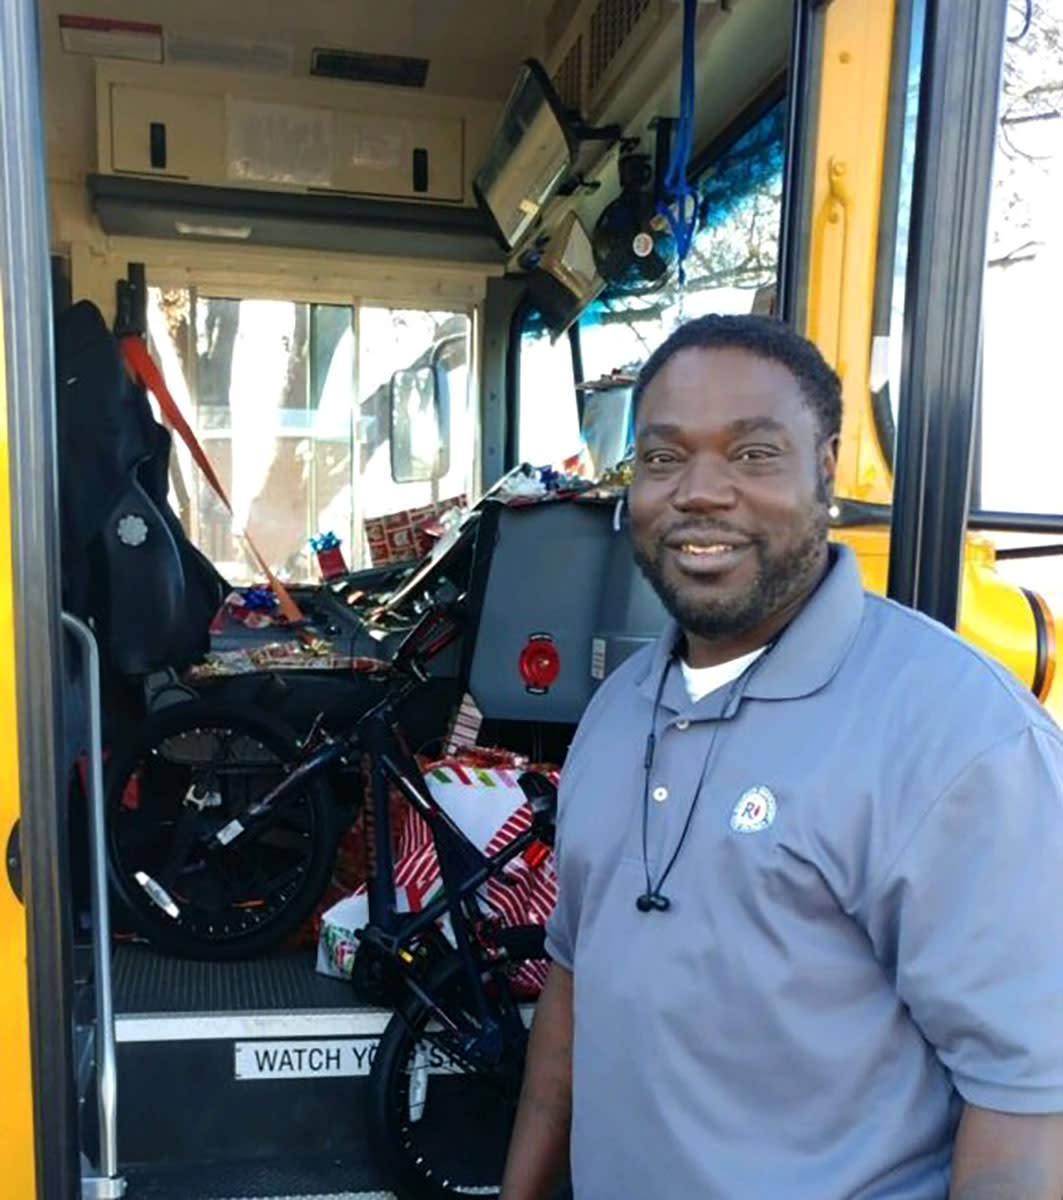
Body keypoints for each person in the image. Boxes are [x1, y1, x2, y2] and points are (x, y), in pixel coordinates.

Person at [499, 314, 1063, 1200]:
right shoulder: (615, 712)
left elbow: (1029, 1116)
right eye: (661, 457)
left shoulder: (960, 740)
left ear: (825, 471)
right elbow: (572, 1006)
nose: (700, 492)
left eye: (754, 454)